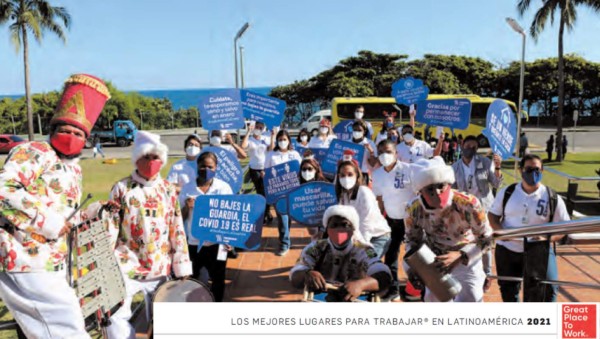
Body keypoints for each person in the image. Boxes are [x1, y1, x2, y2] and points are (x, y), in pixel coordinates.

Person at [0, 74, 109, 338]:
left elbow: (66, 217)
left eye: (78, 133)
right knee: (66, 327)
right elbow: (5, 189)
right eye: (65, 130)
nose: (71, 137)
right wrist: (50, 224)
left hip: (56, 260)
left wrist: (95, 211)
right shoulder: (35, 151)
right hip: (25, 256)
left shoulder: (74, 168)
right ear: (52, 130)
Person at [106, 131, 192, 338]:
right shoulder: (121, 188)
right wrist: (106, 264)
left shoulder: (168, 190)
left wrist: (181, 263)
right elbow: (111, 227)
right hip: (127, 263)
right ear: (137, 158)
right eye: (146, 157)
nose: (151, 162)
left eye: (155, 157)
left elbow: (176, 227)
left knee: (165, 318)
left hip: (160, 265)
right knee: (114, 316)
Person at [404, 156, 493, 302]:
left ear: (449, 184)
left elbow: (487, 239)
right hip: (434, 262)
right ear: (420, 191)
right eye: (430, 188)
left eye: (441, 186)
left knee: (471, 300)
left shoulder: (468, 204)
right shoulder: (413, 209)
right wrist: (414, 269)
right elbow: (412, 242)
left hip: (467, 259)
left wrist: (461, 255)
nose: (437, 192)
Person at [488, 154, 570, 302]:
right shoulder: (508, 192)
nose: (533, 173)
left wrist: (546, 239)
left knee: (548, 289)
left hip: (539, 250)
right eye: (529, 169)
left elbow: (564, 227)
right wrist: (502, 231)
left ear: (543, 171)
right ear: (520, 170)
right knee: (509, 289)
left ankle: (540, 322)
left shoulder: (552, 197)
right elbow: (493, 216)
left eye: (537, 169)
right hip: (508, 249)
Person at [290, 205, 392, 302]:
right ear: (327, 229)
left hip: (354, 297)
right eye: (334, 225)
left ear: (353, 229)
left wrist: (361, 284)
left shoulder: (364, 250)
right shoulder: (315, 247)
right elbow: (295, 277)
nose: (339, 229)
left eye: (345, 225)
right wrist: (307, 274)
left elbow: (385, 277)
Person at [451, 135, 503, 291]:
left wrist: (498, 168)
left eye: (474, 147)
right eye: (468, 146)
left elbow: (496, 183)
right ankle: (466, 272)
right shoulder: (455, 167)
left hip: (483, 209)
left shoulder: (485, 163)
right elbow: (452, 189)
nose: (470, 150)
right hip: (464, 211)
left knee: (485, 242)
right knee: (465, 241)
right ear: (462, 146)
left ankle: (487, 275)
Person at [180, 151, 233, 301]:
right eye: (203, 166)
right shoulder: (188, 188)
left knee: (218, 279)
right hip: (194, 242)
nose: (206, 170)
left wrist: (229, 239)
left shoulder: (224, 188)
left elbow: (231, 216)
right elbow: (179, 217)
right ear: (197, 166)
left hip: (218, 242)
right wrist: (186, 206)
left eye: (210, 166)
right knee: (192, 278)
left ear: (216, 168)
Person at [372, 139, 416, 301]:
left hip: (412, 223)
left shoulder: (409, 170)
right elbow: (379, 199)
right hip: (392, 221)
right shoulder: (377, 175)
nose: (385, 155)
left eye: (388, 151)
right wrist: (380, 219)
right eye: (381, 152)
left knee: (415, 257)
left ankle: (418, 289)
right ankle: (394, 289)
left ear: (396, 153)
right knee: (390, 256)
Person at [335, 158, 390, 258]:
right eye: (342, 175)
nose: (346, 178)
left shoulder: (364, 192)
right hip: (357, 238)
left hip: (377, 236)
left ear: (357, 175)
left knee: (365, 262)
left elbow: (366, 224)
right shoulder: (343, 196)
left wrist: (361, 249)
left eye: (350, 174)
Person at [265, 130, 302, 256]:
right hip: (277, 192)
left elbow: (300, 170)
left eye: (284, 139)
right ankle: (284, 243)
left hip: (292, 191)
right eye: (280, 139)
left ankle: (285, 237)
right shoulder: (271, 155)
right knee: (282, 217)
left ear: (289, 141)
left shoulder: (295, 154)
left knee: (288, 218)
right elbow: (266, 172)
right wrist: (264, 174)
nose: (282, 142)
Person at [241, 121, 271, 214]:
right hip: (254, 169)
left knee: (267, 191)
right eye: (257, 127)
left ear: (263, 129)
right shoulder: (250, 139)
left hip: (265, 168)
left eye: (261, 128)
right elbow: (243, 146)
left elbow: (271, 149)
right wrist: (248, 131)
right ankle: (264, 212)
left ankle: (267, 211)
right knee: (260, 191)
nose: (258, 129)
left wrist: (273, 135)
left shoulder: (266, 138)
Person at [299, 150, 328, 241]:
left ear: (316, 170)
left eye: (310, 169)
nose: (306, 172)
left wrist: (323, 230)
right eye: (304, 169)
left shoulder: (325, 186)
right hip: (312, 223)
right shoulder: (299, 187)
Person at [350, 120, 378, 184]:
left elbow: (373, 164)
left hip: (363, 174)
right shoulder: (346, 142)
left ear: (364, 131)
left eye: (359, 130)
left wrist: (371, 152)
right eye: (355, 130)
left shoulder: (370, 143)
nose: (356, 132)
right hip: (349, 173)